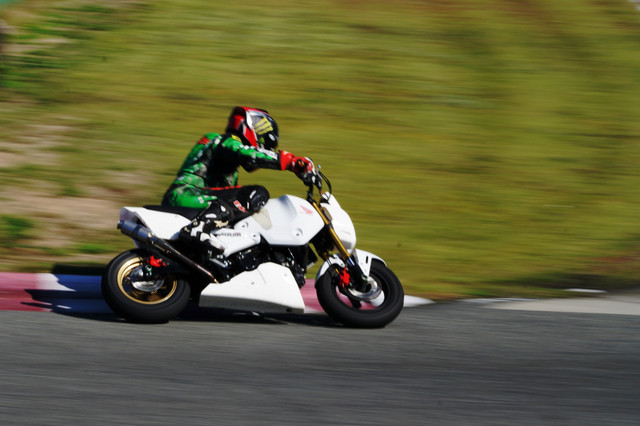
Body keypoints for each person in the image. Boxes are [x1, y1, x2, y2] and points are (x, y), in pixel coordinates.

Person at [161, 106, 313, 252]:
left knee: (244, 209)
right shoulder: (224, 140)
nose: (266, 149)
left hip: (191, 198)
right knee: (256, 193)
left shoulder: (229, 168)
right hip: (186, 194)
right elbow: (246, 154)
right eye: (266, 145)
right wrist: (290, 161)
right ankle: (198, 228)